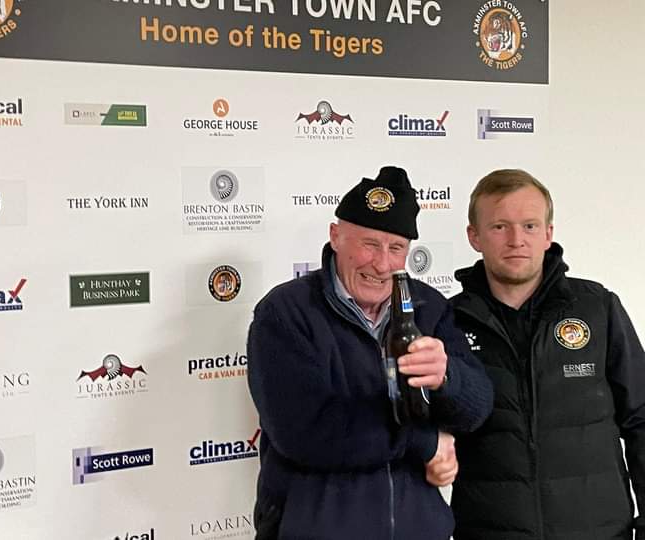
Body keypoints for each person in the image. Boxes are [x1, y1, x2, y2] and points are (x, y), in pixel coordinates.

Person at [246, 166, 493, 540]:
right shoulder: (286, 312)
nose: (381, 263)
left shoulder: (429, 306)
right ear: (335, 236)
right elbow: (306, 433)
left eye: (396, 248)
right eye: (369, 244)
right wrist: (422, 442)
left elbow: (477, 408)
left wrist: (448, 377)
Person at [451, 169, 645, 540]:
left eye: (529, 226)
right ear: (474, 237)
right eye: (499, 227)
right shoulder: (448, 322)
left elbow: (641, 419)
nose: (516, 240)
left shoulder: (598, 308)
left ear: (548, 234)